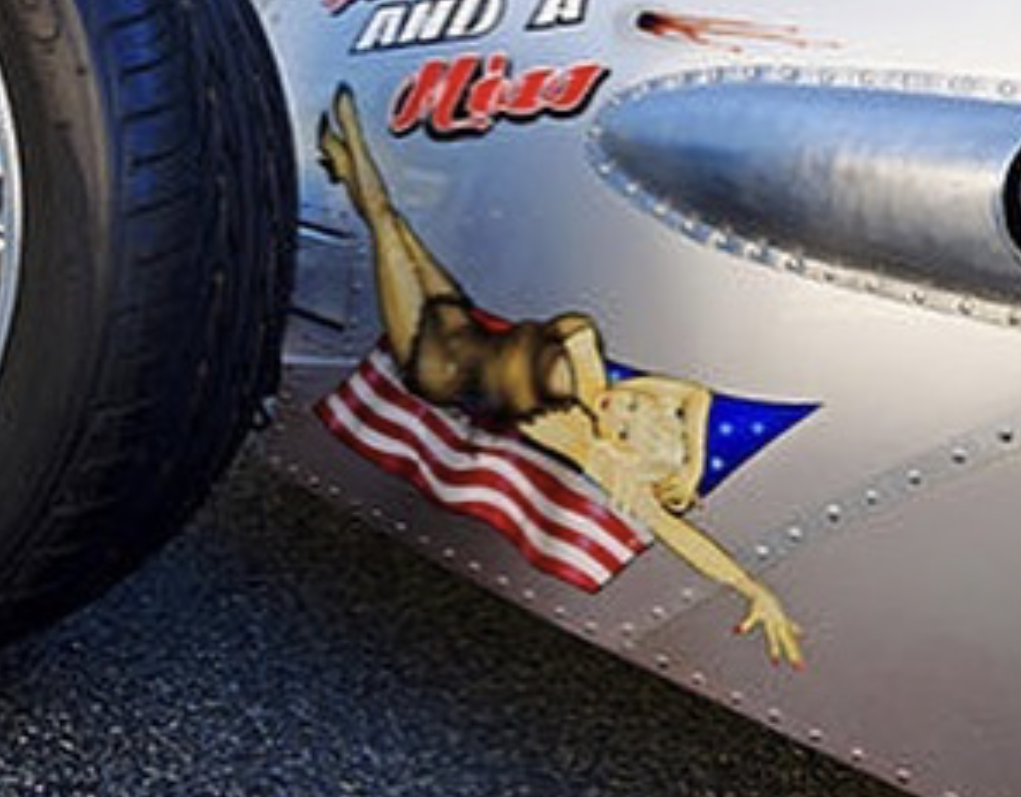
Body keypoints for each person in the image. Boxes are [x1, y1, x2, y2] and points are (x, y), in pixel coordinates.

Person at [319, 86, 804, 668]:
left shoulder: (594, 449)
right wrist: (683, 448)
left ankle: (348, 150)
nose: (628, 406)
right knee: (393, 220)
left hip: (436, 365)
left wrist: (753, 589)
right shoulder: (608, 394)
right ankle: (348, 153)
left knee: (384, 224)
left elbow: (684, 539)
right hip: (468, 327)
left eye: (626, 422)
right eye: (639, 409)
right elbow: (687, 391)